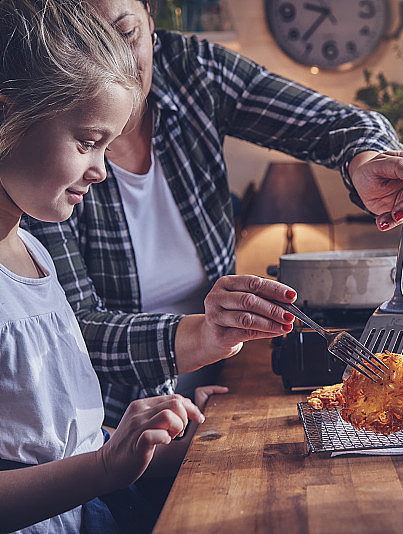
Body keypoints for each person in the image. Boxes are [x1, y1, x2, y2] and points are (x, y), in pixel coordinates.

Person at [23, 0, 403, 428]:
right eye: (86, 43)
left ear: (150, 16)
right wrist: (205, 336)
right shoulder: (41, 159)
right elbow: (73, 333)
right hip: (117, 425)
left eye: (126, 33)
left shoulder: (191, 71)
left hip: (220, 394)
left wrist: (366, 160)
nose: (113, 61)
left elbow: (328, 122)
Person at [0, 0, 228, 531]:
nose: (102, 170)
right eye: (87, 142)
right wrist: (105, 466)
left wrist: (164, 436)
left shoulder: (35, 253)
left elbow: (59, 444)